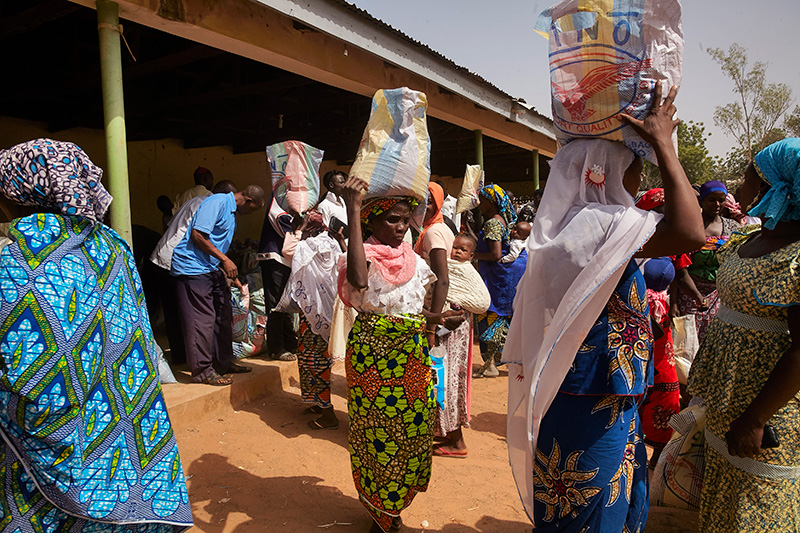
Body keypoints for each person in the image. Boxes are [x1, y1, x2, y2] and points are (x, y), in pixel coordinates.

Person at [504, 84, 705, 531]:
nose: (638, 181)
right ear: (605, 172)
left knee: (586, 497)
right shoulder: (603, 226)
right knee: (592, 502)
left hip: (584, 385)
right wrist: (664, 146)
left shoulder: (571, 226)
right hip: (596, 391)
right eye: (634, 169)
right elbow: (692, 232)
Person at [0, 138, 193, 530]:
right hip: (123, 436)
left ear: (15, 195)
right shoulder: (114, 247)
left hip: (47, 459)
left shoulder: (14, 263)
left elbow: (31, 382)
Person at [688, 138, 800, 532]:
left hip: (765, 412)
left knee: (757, 509)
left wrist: (756, 419)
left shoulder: (796, 255)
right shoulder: (752, 238)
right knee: (725, 501)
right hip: (728, 399)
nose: (741, 187)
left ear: (778, 186)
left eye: (751, 176)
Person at [338, 176, 456, 533]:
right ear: (371, 221)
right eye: (392, 219)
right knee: (376, 434)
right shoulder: (362, 257)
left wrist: (437, 318)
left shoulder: (414, 262)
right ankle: (384, 514)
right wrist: (353, 207)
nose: (401, 227)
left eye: (405, 220)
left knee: (412, 431)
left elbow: (409, 311)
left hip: (411, 357)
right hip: (372, 357)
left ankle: (391, 506)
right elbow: (359, 281)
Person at [171, 184, 265, 385]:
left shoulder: (231, 213)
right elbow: (198, 235)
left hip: (210, 268)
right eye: (253, 209)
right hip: (192, 268)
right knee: (201, 320)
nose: (251, 213)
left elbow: (215, 243)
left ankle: (223, 362)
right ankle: (203, 370)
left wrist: (228, 272)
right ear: (248, 201)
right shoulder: (218, 202)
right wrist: (225, 260)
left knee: (224, 314)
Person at [150, 180, 238, 365]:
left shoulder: (196, 201)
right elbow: (199, 237)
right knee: (188, 316)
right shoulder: (212, 204)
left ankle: (185, 357)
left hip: (170, 258)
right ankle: (190, 360)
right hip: (175, 260)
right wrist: (223, 261)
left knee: (180, 314)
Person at [414, 183, 470, 457]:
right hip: (448, 314)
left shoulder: (435, 232)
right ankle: (449, 435)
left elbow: (442, 280)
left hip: (444, 317)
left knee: (441, 377)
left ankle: (456, 440)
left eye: (427, 201)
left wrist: (432, 325)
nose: (421, 206)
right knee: (445, 377)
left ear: (436, 203)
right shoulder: (439, 228)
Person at [635, 189, 681, 468]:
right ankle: (633, 445)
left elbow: (680, 274)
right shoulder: (633, 240)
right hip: (637, 319)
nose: (665, 215)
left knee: (666, 386)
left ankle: (658, 454)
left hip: (662, 323)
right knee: (639, 382)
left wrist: (674, 306)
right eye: (660, 209)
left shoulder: (674, 238)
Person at [671, 179, 741, 345]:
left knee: (715, 341)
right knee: (689, 342)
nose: (717, 204)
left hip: (720, 296)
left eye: (721, 199)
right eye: (711, 200)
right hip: (690, 294)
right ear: (701, 200)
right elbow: (679, 268)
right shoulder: (690, 227)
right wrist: (673, 302)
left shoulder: (733, 227)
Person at [472, 184, 526, 378]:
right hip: (503, 276)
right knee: (502, 318)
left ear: (491, 202)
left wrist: (472, 254)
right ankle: (500, 361)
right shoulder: (501, 220)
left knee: (491, 315)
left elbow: (494, 254)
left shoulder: (493, 223)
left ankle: (490, 364)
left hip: (497, 278)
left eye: (483, 200)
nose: (480, 204)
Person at [258, 197, 298, 361]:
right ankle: (276, 348)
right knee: (276, 304)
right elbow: (280, 220)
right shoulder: (280, 195)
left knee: (286, 302)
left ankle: (289, 344)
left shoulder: (294, 197)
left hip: (285, 259)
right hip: (275, 257)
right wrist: (301, 224)